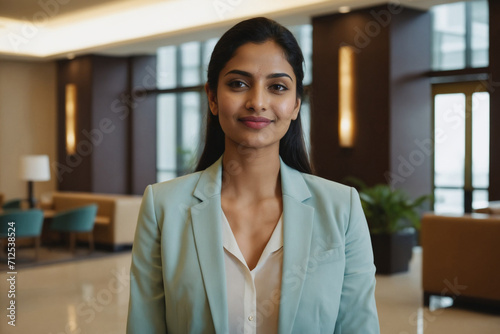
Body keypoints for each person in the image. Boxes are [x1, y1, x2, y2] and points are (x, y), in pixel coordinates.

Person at [127, 17, 379, 334]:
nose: (257, 102)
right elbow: (144, 326)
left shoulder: (342, 208)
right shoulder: (163, 207)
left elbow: (358, 326)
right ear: (213, 98)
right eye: (238, 84)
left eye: (277, 87)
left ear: (296, 104)